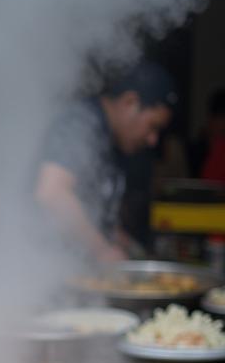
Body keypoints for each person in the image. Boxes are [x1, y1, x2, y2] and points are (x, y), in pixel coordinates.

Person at [34, 60, 178, 261]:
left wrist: (128, 246)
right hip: (39, 269)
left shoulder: (112, 141)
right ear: (130, 103)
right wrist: (102, 250)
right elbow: (52, 192)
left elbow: (95, 215)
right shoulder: (81, 122)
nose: (153, 140)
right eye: (152, 126)